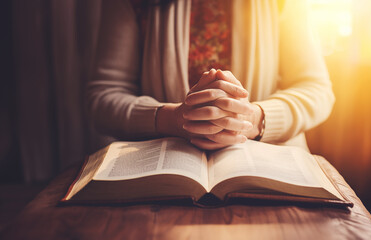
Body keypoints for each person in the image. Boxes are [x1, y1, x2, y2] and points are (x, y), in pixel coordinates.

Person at [87, 0, 335, 151]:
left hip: (262, 161)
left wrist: (251, 120)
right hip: (162, 168)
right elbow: (103, 97)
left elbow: (316, 88)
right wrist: (173, 119)